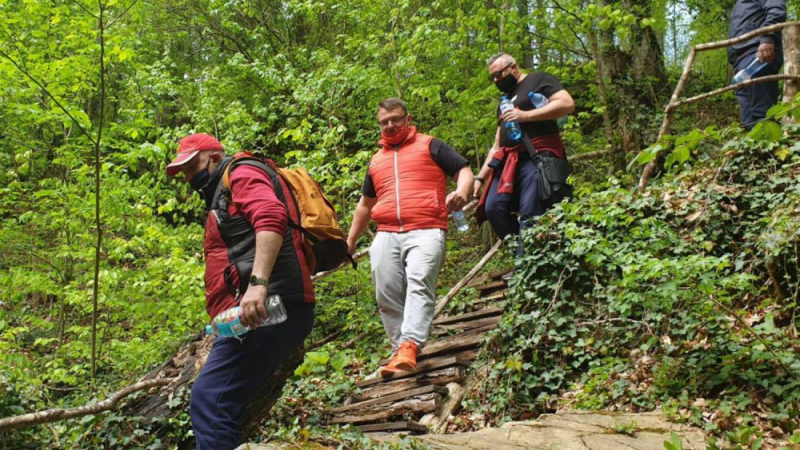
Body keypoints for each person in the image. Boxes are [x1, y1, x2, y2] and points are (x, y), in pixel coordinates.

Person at [165, 133, 315, 450]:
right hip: (256, 312)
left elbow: (271, 215)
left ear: (215, 158)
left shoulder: (240, 173)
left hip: (271, 307)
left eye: (193, 167)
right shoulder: (223, 190)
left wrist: (258, 285)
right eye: (185, 172)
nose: (189, 178)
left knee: (210, 400)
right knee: (221, 404)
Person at [346, 98, 473, 376]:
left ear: (408, 118)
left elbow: (463, 170)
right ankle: (398, 353)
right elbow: (365, 204)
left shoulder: (431, 145)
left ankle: (410, 345)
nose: (390, 125)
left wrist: (463, 192)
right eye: (384, 121)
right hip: (386, 232)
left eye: (396, 119)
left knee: (419, 282)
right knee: (386, 293)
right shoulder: (376, 160)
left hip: (427, 227)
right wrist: (350, 241)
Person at [474, 53, 575, 247]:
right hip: (508, 164)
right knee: (493, 208)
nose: (497, 80)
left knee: (531, 210)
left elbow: (566, 104)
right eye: (493, 77)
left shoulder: (539, 80)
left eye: (500, 74)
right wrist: (480, 178)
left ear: (514, 67)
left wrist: (525, 116)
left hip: (536, 157)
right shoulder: (503, 102)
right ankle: (523, 256)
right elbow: (497, 145)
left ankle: (527, 266)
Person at [728, 0, 787, 129]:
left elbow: (776, 10)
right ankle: (757, 146)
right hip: (741, 58)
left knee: (762, 111)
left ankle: (771, 143)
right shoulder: (739, 5)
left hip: (758, 52)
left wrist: (767, 37)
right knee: (748, 115)